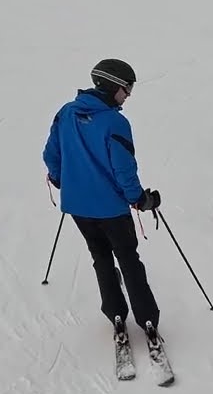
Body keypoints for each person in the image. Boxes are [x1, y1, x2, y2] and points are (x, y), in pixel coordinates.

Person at [43, 58, 165, 355]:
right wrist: (140, 199)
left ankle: (116, 314)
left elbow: (51, 155)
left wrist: (60, 179)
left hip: (78, 208)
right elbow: (124, 170)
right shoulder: (114, 122)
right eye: (127, 88)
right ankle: (147, 319)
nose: (129, 95)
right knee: (128, 259)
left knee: (100, 257)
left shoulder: (66, 113)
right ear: (113, 86)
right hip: (112, 210)